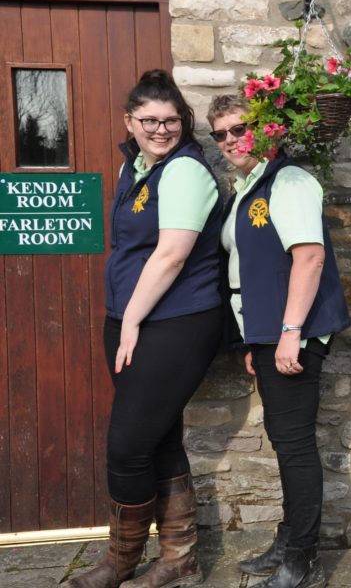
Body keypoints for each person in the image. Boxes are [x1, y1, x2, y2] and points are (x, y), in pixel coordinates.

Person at [71, 70, 223, 588]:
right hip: (133, 318)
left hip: (176, 321)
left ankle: (119, 562)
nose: (161, 129)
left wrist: (131, 318)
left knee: (128, 445)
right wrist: (123, 317)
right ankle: (179, 559)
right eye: (150, 120)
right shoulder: (135, 168)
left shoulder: (184, 171)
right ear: (129, 122)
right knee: (159, 438)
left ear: (183, 122)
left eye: (171, 120)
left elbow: (172, 254)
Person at [209, 95, 349, 588]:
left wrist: (289, 333)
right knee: (285, 441)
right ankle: (289, 541)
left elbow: (308, 259)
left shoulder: (288, 181)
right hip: (269, 333)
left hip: (296, 333)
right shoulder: (251, 186)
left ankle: (304, 559)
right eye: (220, 134)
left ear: (266, 129)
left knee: (294, 446)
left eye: (239, 128)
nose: (230, 140)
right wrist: (255, 338)